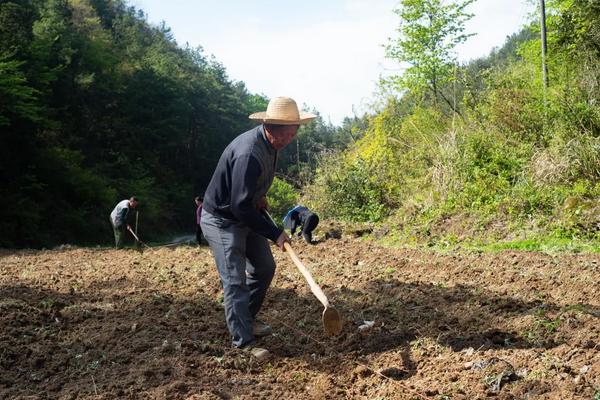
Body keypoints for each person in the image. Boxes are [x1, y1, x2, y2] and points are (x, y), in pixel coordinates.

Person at [200, 97, 315, 361]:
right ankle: (243, 343)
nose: (287, 140)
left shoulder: (272, 144)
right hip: (223, 219)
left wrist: (257, 196)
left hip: (246, 212)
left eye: (292, 134)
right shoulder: (248, 152)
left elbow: (246, 192)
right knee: (234, 280)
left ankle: (246, 319)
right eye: (283, 134)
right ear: (268, 126)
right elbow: (239, 206)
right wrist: (275, 233)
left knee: (265, 267)